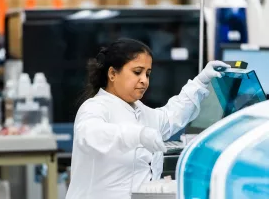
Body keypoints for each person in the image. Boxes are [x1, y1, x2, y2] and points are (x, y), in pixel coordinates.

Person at [65, 38, 230, 199]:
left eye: (148, 74)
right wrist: (138, 135)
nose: (144, 80)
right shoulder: (95, 107)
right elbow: (91, 134)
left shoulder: (141, 111)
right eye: (137, 72)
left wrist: (200, 82)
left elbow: (171, 115)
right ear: (113, 74)